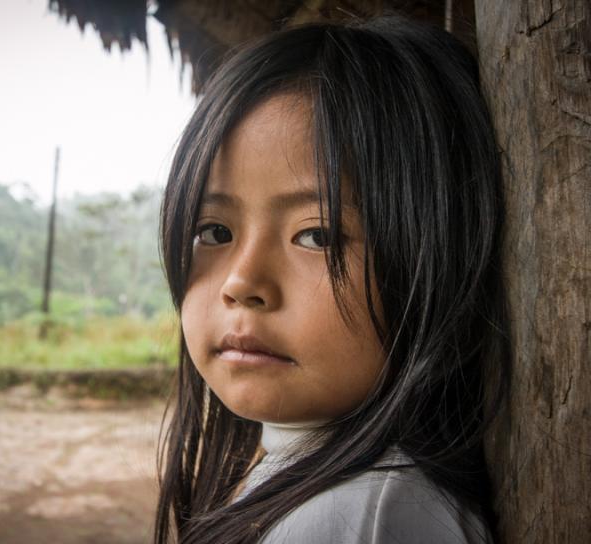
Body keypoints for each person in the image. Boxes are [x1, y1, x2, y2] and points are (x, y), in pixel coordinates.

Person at [154, 15, 510, 544]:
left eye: (317, 236)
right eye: (214, 230)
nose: (241, 281)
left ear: (439, 268)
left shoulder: (366, 518)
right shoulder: (318, 487)